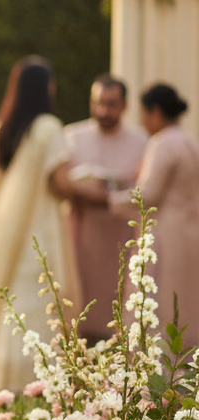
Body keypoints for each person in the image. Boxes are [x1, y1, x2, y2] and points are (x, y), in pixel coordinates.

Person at [0, 56, 80, 392]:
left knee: (12, 312)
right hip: (40, 239)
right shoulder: (48, 128)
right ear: (45, 88)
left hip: (5, 239)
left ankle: (6, 385)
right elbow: (62, 185)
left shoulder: (0, 127)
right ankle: (42, 387)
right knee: (41, 312)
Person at [108, 83, 199, 347]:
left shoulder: (162, 142)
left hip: (164, 236)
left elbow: (148, 195)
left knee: (157, 306)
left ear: (155, 113)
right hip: (190, 235)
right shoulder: (189, 141)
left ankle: (153, 379)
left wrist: (110, 198)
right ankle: (185, 379)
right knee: (185, 306)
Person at [64, 75, 146, 342]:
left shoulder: (141, 141)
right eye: (99, 103)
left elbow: (144, 190)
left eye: (111, 104)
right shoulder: (72, 136)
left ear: (124, 105)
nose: (103, 111)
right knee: (78, 304)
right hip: (80, 235)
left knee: (117, 303)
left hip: (121, 238)